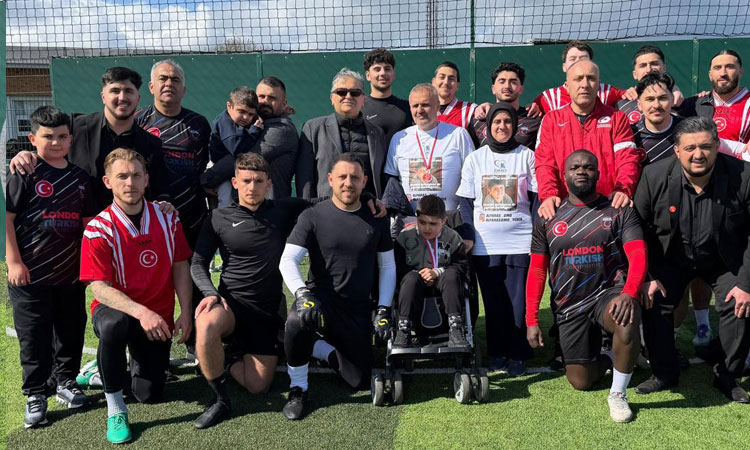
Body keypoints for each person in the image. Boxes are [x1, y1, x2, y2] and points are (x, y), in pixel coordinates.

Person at [189, 152, 385, 429]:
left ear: (269, 184)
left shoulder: (283, 209)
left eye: (259, 181)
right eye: (246, 181)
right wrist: (210, 293)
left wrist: (366, 197)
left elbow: (330, 199)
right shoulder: (217, 217)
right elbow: (198, 263)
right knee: (207, 322)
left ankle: (225, 359)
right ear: (234, 182)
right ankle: (220, 400)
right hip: (230, 305)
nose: (252, 187)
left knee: (258, 386)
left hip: (267, 312)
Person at [633, 116, 750, 402]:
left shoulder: (744, 175)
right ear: (676, 150)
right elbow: (638, 229)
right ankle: (664, 372)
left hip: (724, 260)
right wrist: (648, 276)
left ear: (717, 146)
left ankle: (728, 374)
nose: (698, 154)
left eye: (706, 147)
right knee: (654, 299)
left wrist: (746, 284)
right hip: (671, 258)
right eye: (690, 148)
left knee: (740, 303)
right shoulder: (653, 176)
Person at [79, 149, 193, 444]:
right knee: (113, 325)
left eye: (136, 175)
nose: (129, 182)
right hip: (119, 312)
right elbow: (99, 288)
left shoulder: (168, 218)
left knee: (149, 394)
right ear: (107, 182)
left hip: (158, 317)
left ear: (146, 180)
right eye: (122, 176)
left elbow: (180, 264)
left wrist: (185, 311)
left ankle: (100, 370)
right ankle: (115, 408)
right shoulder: (98, 229)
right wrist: (142, 312)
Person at [526, 150, 647, 423]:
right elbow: (537, 270)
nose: (581, 171)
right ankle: (612, 356)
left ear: (598, 173)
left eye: (588, 167)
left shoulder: (618, 210)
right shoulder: (547, 216)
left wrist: (629, 293)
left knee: (626, 316)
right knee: (580, 381)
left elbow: (638, 254)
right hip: (570, 302)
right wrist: (531, 319)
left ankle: (618, 393)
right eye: (575, 168)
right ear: (564, 175)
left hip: (608, 293)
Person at [279, 154, 395, 420]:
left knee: (357, 380)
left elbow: (388, 267)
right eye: (342, 177)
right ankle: (298, 388)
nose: (348, 183)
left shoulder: (377, 218)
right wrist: (302, 294)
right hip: (319, 302)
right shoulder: (312, 216)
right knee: (296, 320)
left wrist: (383, 309)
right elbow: (288, 260)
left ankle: (320, 348)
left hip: (356, 307)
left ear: (364, 181)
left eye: (355, 177)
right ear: (330, 179)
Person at [6, 106, 96, 428]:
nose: (56, 143)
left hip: (70, 274)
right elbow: (8, 219)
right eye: (48, 137)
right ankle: (35, 393)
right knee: (34, 336)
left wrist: (87, 266)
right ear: (32, 139)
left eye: (61, 136)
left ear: (71, 139)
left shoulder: (80, 178)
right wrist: (14, 261)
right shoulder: (25, 173)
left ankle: (66, 382)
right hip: (30, 275)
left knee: (71, 329)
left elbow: (88, 224)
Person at [8, 66, 170, 211]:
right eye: (115, 90)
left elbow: (160, 191)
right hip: (75, 226)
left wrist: (164, 203)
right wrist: (27, 154)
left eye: (128, 91)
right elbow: (49, 149)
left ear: (138, 98)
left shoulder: (151, 143)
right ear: (103, 96)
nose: (122, 97)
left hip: (130, 229)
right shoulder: (75, 126)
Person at [456, 102, 537, 375]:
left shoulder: (527, 156)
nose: (502, 126)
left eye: (507, 122)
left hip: (520, 242)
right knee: (493, 302)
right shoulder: (475, 158)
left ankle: (518, 353)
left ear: (515, 125)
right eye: (497, 122)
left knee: (517, 301)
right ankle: (498, 352)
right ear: (488, 126)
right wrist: (468, 234)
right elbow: (465, 202)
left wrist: (536, 236)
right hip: (485, 245)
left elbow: (535, 200)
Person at [535, 60, 641, 220]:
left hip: (609, 208)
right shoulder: (551, 120)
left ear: (598, 85)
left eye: (591, 78)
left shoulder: (617, 118)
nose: (584, 84)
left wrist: (623, 189)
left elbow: (628, 159)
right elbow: (544, 164)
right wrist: (549, 195)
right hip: (564, 210)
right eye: (578, 79)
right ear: (567, 86)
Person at [296, 68, 388, 199]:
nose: (348, 96)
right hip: (325, 207)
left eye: (355, 93)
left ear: (363, 99)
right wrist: (307, 207)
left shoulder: (377, 133)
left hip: (366, 208)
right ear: (332, 98)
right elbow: (304, 176)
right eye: (341, 92)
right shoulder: (313, 129)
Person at [392, 195, 469, 348]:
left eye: (433, 224)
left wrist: (437, 272)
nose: (427, 228)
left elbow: (462, 266)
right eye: (422, 222)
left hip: (444, 281)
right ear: (417, 217)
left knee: (452, 275)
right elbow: (397, 267)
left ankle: (456, 327)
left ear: (444, 221)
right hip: (414, 281)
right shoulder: (404, 237)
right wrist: (420, 273)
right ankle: (404, 329)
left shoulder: (453, 238)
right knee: (410, 279)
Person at [385, 83, 475, 213]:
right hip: (411, 219)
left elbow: (471, 176)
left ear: (437, 106)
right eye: (415, 106)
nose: (419, 110)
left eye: (425, 105)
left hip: (449, 219)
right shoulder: (399, 139)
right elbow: (391, 179)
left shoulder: (458, 135)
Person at [205, 86, 265, 206]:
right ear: (229, 106)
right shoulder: (225, 122)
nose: (245, 117)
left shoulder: (239, 119)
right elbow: (237, 150)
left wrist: (283, 111)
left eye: (250, 114)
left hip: (231, 169)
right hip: (219, 168)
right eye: (241, 111)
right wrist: (254, 131)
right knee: (226, 201)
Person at [531, 41, 627, 115]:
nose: (578, 62)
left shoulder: (606, 91)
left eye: (583, 58)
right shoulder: (548, 98)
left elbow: (629, 95)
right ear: (564, 67)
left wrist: (631, 92)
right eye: (572, 59)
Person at [680, 49, 750, 146]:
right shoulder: (693, 104)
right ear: (710, 75)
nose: (723, 73)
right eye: (717, 68)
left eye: (729, 67)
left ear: (740, 71)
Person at [468, 62, 541, 149]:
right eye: (502, 82)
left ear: (521, 89)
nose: (507, 86)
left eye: (513, 82)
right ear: (493, 89)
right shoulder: (479, 120)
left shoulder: (534, 120)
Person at [616, 45, 685, 124]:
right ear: (634, 74)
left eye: (654, 64)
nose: (649, 70)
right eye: (643, 65)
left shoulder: (678, 100)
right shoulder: (620, 105)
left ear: (664, 68)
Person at [361, 48, 412, 145]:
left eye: (387, 69)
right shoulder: (360, 109)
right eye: (377, 69)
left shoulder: (408, 108)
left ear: (393, 74)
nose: (383, 73)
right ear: (368, 76)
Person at [432, 61, 477, 129]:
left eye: (451, 79)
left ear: (457, 85)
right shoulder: (423, 110)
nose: (446, 82)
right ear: (433, 82)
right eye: (441, 77)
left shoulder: (470, 110)